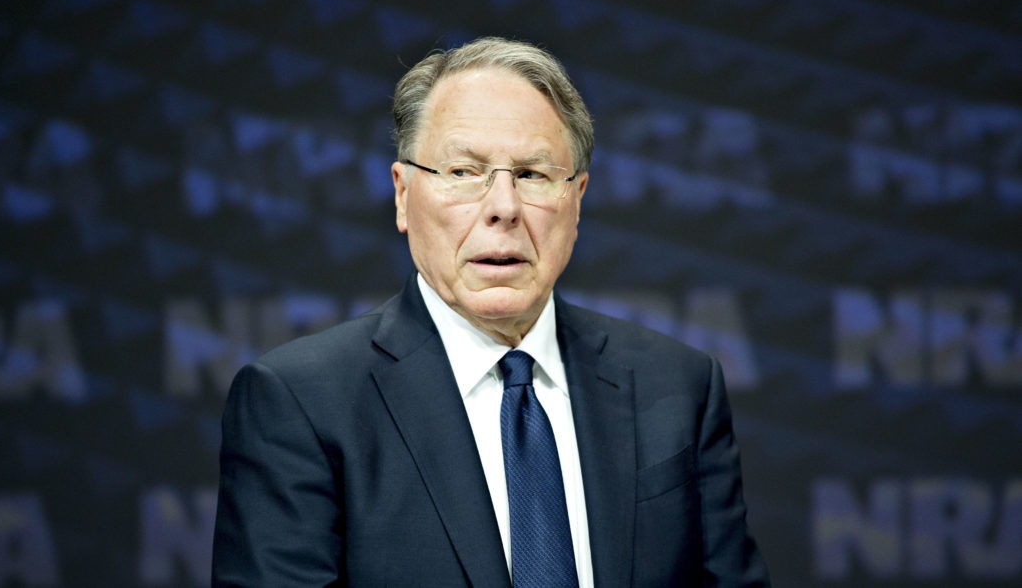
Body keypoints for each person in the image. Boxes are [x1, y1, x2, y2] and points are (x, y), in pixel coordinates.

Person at [212, 36, 770, 587]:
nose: (503, 207)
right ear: (404, 195)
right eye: (464, 172)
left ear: (576, 200)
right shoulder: (300, 404)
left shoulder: (676, 387)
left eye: (532, 175)